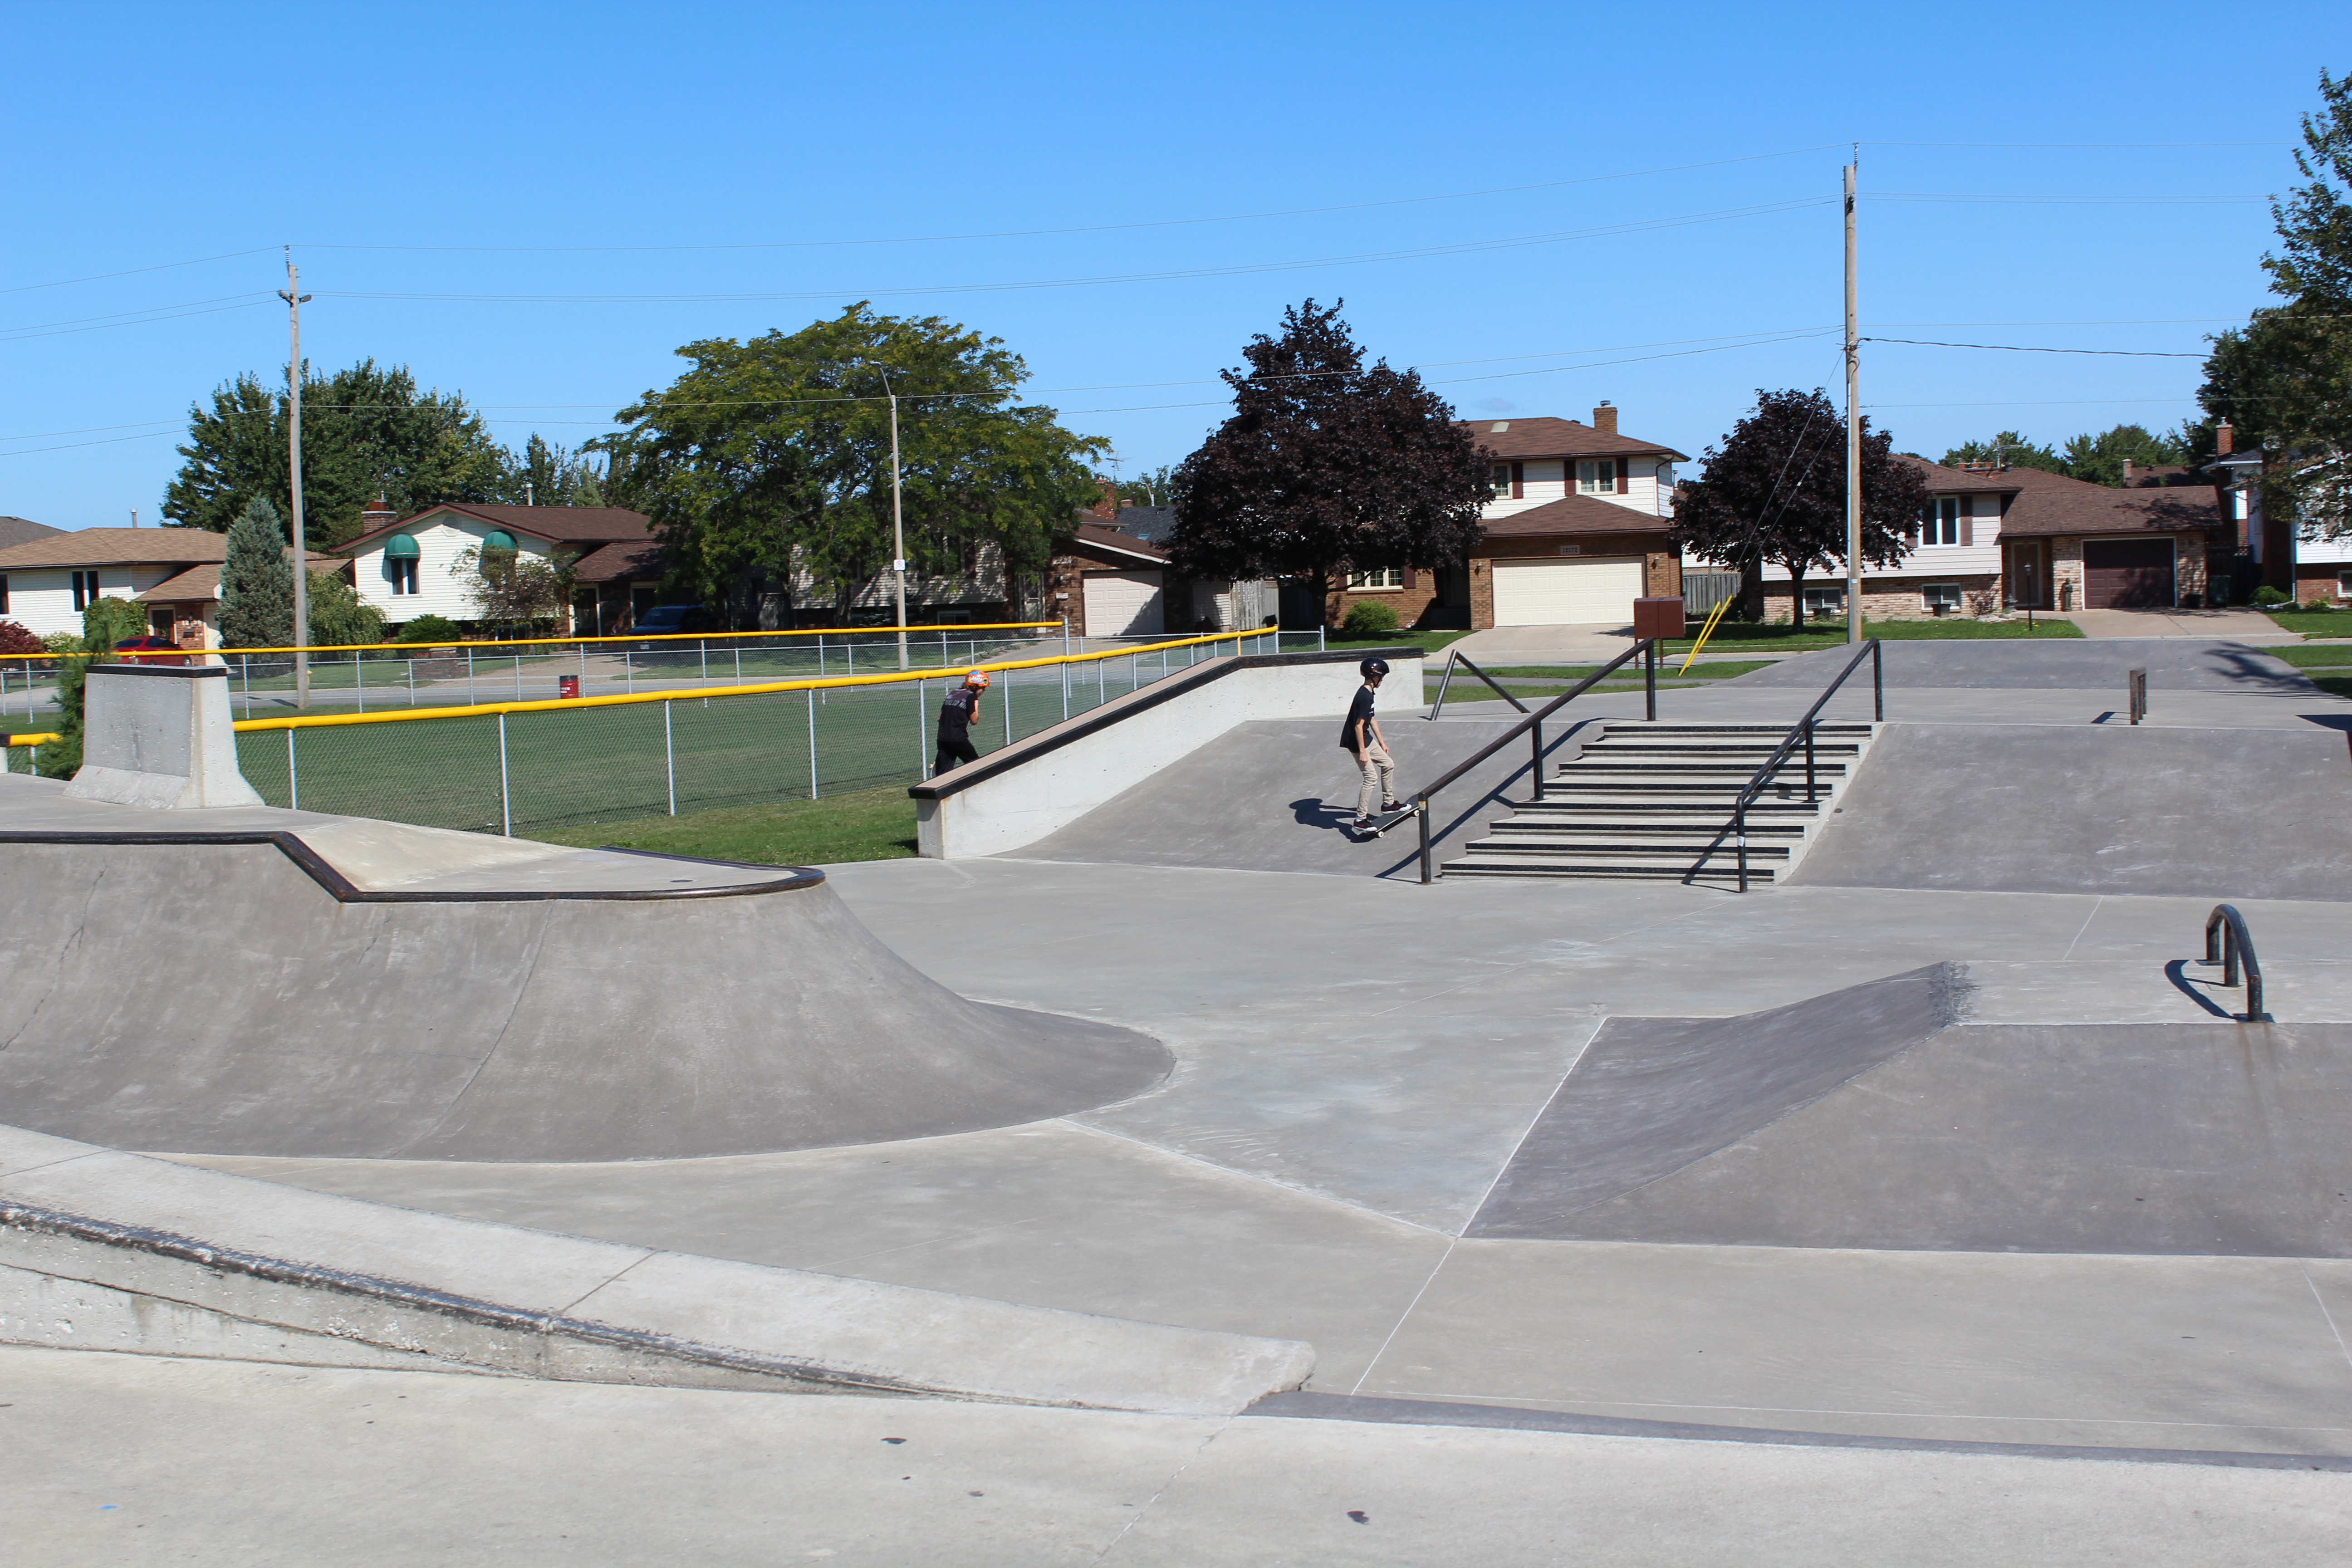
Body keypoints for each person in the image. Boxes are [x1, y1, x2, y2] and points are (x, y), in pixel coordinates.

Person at [1341, 657, 1402, 832]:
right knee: (1371, 778)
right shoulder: (1364, 696)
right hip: (1357, 742)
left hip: (1366, 739)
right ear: (1374, 677)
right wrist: (1362, 752)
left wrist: (1382, 742)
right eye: (1381, 677)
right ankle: (1360, 820)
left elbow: (1372, 718)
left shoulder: (1369, 693)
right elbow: (1358, 725)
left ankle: (1389, 804)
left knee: (1388, 764)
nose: (1382, 680)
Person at [934, 668, 990, 776]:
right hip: (958, 739)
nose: (984, 692)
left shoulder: (953, 693)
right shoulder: (971, 696)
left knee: (943, 774)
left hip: (942, 739)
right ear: (975, 686)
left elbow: (939, 717)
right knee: (976, 766)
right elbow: (974, 721)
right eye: (983, 688)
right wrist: (976, 702)